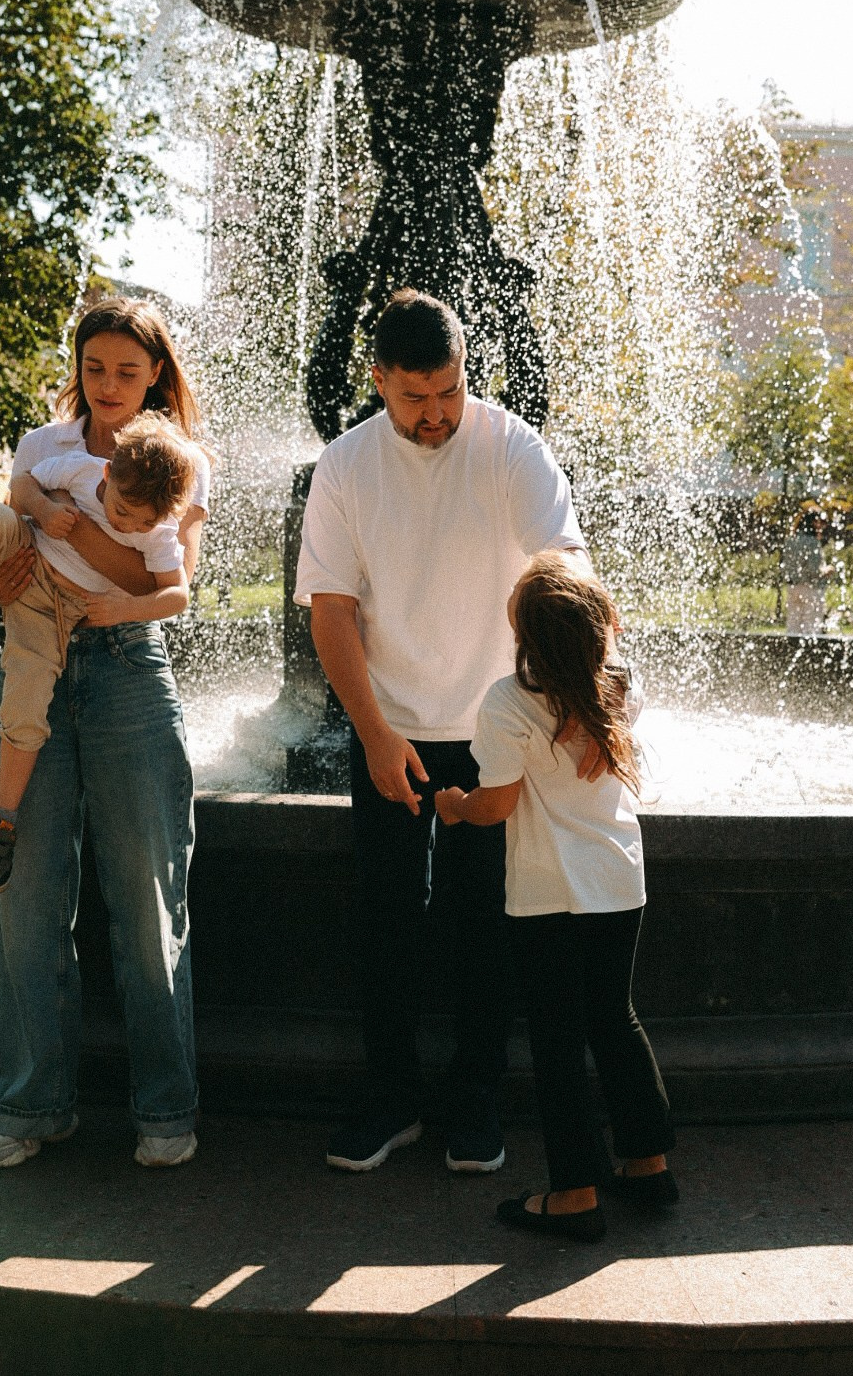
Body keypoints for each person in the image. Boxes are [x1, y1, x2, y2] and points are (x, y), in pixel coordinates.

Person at [294, 289, 589, 1175]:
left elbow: (566, 566)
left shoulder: (512, 446)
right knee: (386, 916)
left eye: (450, 392)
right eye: (415, 397)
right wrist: (375, 735)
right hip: (389, 724)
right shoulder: (344, 465)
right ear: (378, 380)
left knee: (485, 919)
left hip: (496, 724)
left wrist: (571, 695)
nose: (436, 415)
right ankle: (392, 1098)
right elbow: (331, 611)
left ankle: (476, 1099)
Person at [0, 296, 211, 1172]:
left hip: (126, 667)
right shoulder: (42, 446)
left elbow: (157, 582)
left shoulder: (180, 463)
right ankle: (30, 1107)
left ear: (156, 376)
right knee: (25, 895)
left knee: (148, 899)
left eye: (128, 372)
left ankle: (166, 1109)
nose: (108, 385)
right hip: (33, 655)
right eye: (95, 367)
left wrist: (65, 531)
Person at [436, 551, 676, 1243]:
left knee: (558, 1040)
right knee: (616, 1020)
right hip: (620, 884)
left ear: (523, 637)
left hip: (549, 897)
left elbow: (496, 805)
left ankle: (574, 1194)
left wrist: (455, 806)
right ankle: (649, 1165)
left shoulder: (508, 703)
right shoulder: (620, 688)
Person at [0, 412, 197, 894]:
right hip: (28, 555)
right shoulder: (77, 467)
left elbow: (177, 593)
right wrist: (44, 509)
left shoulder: (158, 529)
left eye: (145, 521)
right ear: (106, 472)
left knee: (26, 699)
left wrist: (127, 609)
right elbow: (22, 485)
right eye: (123, 510)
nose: (130, 524)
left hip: (55, 612)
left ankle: (0, 820)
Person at [783, 506, 831, 636]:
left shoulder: (791, 540)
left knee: (793, 628)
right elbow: (814, 570)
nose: (823, 527)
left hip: (793, 587)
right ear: (815, 522)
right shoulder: (812, 542)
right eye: (822, 523)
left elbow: (786, 566)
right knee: (812, 629)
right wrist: (828, 570)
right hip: (811, 589)